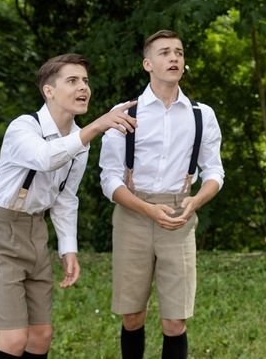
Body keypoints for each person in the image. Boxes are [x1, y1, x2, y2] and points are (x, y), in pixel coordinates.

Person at [0, 53, 137, 359]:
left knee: (41, 336)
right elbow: (45, 157)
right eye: (72, 81)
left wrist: (68, 248)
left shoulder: (78, 140)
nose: (83, 87)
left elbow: (65, 198)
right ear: (49, 90)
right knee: (14, 338)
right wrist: (95, 128)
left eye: (85, 81)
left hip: (35, 232)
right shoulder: (23, 127)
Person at [99, 30, 224, 359]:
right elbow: (109, 178)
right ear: (147, 63)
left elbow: (214, 172)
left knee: (174, 320)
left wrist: (195, 201)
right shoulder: (125, 112)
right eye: (165, 52)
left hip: (178, 214)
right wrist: (145, 208)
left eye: (179, 53)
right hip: (132, 213)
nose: (174, 58)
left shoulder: (201, 115)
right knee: (132, 314)